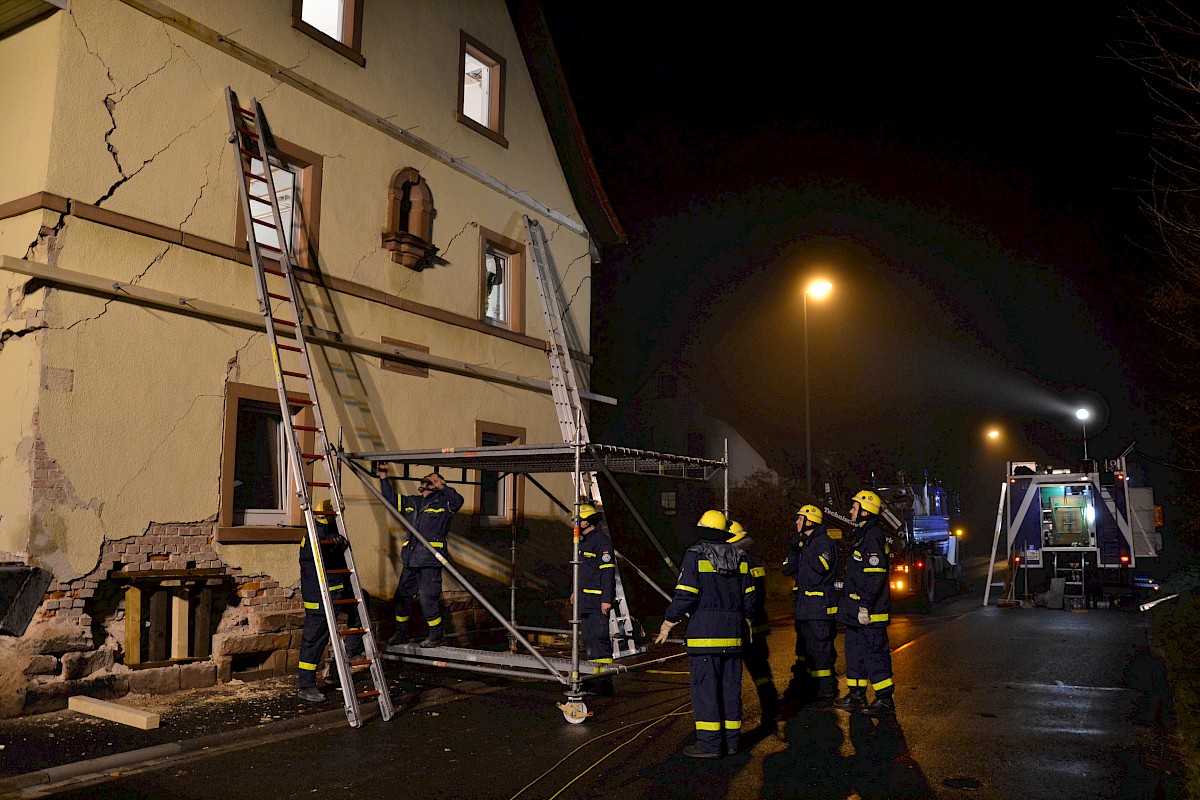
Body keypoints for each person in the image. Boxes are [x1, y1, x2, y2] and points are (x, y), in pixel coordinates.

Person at [655, 509, 756, 758]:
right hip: (733, 635)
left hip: (705, 636)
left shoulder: (695, 556)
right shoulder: (741, 557)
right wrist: (746, 620)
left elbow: (686, 594)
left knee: (706, 691)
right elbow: (750, 597)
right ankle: (732, 742)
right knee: (730, 690)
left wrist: (669, 622)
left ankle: (710, 745)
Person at [379, 464, 464, 648]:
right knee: (402, 597)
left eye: (430, 481)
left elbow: (458, 501)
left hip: (430, 561)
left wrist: (441, 486)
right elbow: (391, 500)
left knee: (428, 599)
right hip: (411, 559)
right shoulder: (413, 502)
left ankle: (436, 635)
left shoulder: (444, 504)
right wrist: (384, 477)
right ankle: (401, 633)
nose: (425, 484)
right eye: (425, 481)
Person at [833, 490, 895, 717]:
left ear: (865, 510)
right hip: (856, 612)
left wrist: (865, 606)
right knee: (855, 653)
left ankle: (885, 699)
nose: (850, 511)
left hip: (869, 613)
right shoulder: (862, 534)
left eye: (854, 506)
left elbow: (874, 575)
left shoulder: (873, 536)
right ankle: (856, 696)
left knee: (875, 655)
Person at [297, 499, 364, 703]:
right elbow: (319, 557)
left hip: (337, 594)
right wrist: (333, 543)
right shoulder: (315, 535)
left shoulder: (330, 531)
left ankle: (346, 654)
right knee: (314, 641)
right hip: (320, 599)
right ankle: (306, 685)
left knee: (363, 603)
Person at [782, 504, 839, 705]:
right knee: (805, 652)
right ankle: (810, 689)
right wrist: (795, 548)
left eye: (799, 519)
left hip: (819, 608)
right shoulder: (802, 544)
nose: (796, 522)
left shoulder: (823, 542)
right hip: (804, 608)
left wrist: (802, 548)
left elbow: (821, 566)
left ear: (810, 521)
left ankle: (825, 691)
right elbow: (787, 569)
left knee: (821, 651)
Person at [727, 520, 777, 723]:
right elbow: (761, 594)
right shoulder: (755, 562)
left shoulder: (735, 564)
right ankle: (771, 708)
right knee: (761, 671)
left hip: (741, 627)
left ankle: (732, 717)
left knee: (731, 674)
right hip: (758, 626)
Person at [576, 503, 617, 696]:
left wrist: (606, 599)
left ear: (588, 521)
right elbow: (578, 570)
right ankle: (593, 679)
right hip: (584, 600)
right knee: (589, 642)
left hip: (598, 601)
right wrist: (573, 590)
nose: (576, 523)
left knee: (600, 642)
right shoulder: (582, 542)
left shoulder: (601, 542)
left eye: (579, 520)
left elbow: (608, 573)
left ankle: (604, 682)